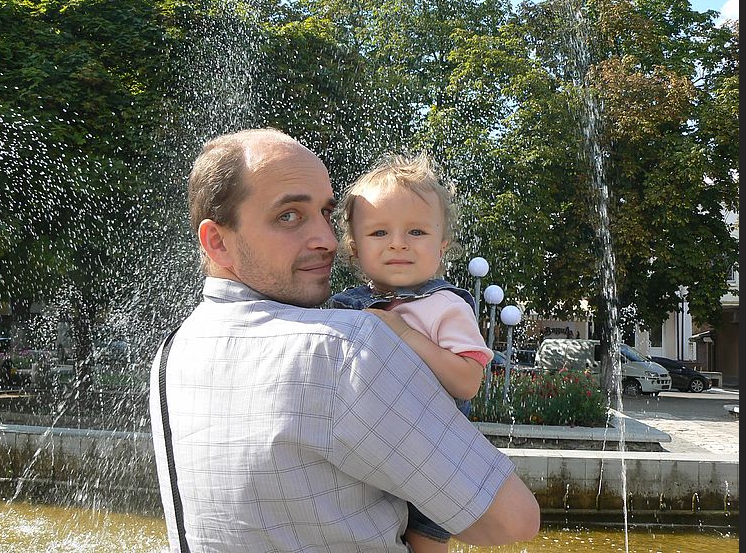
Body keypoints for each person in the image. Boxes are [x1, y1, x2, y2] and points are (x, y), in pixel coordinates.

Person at [149, 128, 539, 552]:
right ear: (218, 242)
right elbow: (512, 522)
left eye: (326, 215)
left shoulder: (173, 352)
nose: (329, 241)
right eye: (289, 216)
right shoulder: (346, 345)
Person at [329, 155, 491, 553]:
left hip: (431, 460)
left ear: (441, 247)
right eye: (380, 232)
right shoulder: (340, 307)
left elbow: (468, 383)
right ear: (355, 248)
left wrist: (404, 333)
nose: (398, 242)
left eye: (416, 231)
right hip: (364, 459)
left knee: (424, 541)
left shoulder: (445, 306)